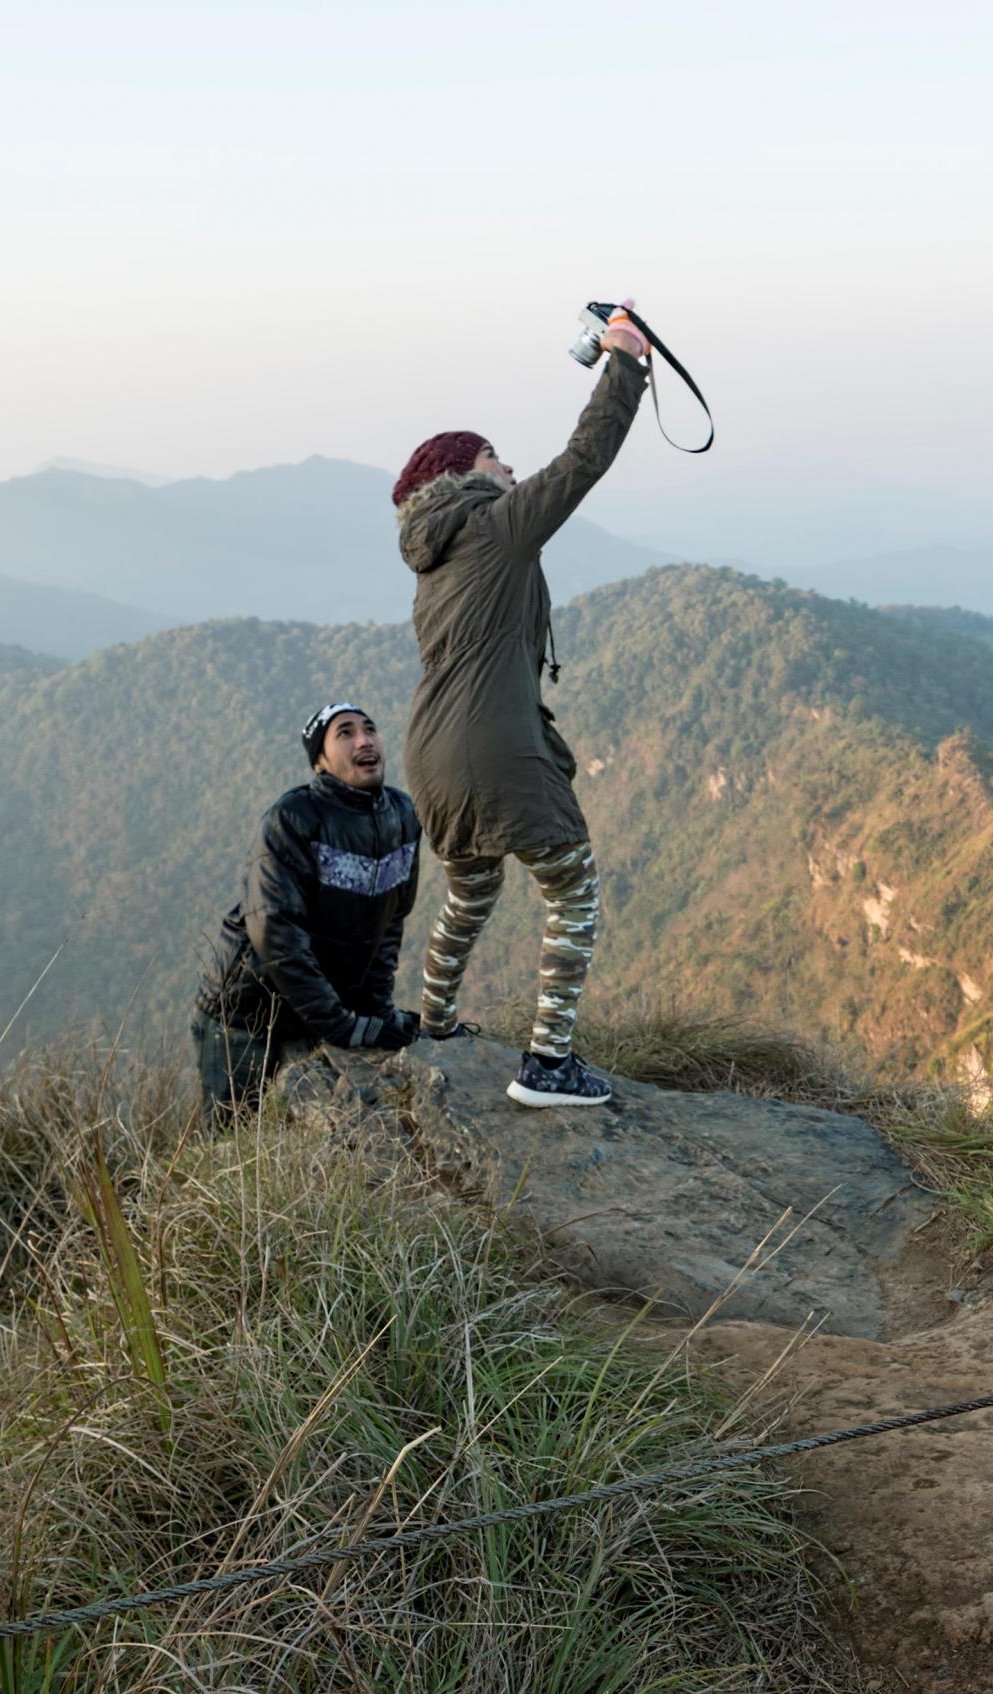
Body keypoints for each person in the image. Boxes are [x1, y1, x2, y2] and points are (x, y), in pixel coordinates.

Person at [393, 303, 652, 1108]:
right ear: (465, 474)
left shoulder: (431, 565)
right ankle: (547, 1064)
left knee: (470, 889)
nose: (509, 466)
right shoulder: (499, 529)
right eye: (495, 456)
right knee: (572, 884)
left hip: (429, 754)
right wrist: (626, 363)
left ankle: (433, 1020)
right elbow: (581, 461)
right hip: (494, 745)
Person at [192, 704, 423, 1122]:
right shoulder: (294, 820)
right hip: (246, 1012)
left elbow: (389, 924)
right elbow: (277, 936)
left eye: (370, 729)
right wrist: (343, 1026)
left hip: (313, 1011)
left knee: (299, 1129)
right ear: (320, 762)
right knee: (232, 1138)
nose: (364, 739)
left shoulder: (402, 817)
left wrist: (375, 1011)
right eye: (345, 733)